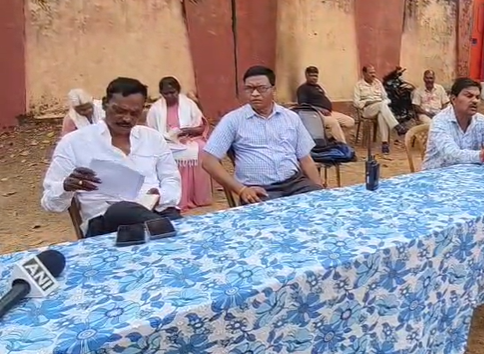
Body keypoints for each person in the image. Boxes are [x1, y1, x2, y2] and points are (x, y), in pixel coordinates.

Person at [41, 77, 182, 238]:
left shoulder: (153, 138)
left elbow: (171, 180)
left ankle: (163, 230)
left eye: (134, 113)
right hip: (107, 224)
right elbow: (50, 203)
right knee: (121, 210)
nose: (127, 118)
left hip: (157, 211)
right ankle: (170, 233)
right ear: (104, 104)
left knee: (166, 214)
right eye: (120, 111)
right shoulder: (73, 143)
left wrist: (159, 196)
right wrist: (66, 186)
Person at [201, 65, 323, 203]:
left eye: (261, 88)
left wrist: (319, 190)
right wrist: (241, 190)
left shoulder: (291, 117)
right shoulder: (233, 120)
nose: (254, 94)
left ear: (273, 90)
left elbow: (306, 160)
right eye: (249, 89)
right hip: (261, 190)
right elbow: (208, 162)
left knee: (323, 207)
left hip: (295, 184)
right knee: (270, 215)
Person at [146, 77, 212, 211]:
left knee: (201, 148)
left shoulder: (189, 104)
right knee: (164, 152)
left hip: (189, 138)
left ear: (178, 91)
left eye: (173, 92)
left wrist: (187, 131)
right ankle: (179, 198)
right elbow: (151, 132)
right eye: (166, 93)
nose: (170, 96)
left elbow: (201, 127)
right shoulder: (155, 109)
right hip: (165, 141)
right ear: (161, 93)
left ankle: (198, 196)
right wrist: (167, 137)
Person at [421, 78, 484, 170]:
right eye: (469, 96)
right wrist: (481, 155)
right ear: (453, 99)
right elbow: (451, 155)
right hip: (437, 174)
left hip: (468, 173)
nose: (475, 101)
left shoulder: (482, 121)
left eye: (477, 97)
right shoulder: (440, 121)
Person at [353, 65, 407, 154]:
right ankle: (397, 127)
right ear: (364, 73)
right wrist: (367, 102)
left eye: (374, 72)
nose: (373, 75)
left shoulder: (377, 83)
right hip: (367, 110)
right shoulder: (358, 85)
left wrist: (384, 103)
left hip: (380, 107)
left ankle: (384, 144)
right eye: (370, 73)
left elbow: (386, 98)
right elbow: (356, 102)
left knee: (382, 114)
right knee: (382, 106)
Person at [296, 66, 355, 143]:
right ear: (306, 75)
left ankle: (332, 139)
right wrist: (319, 110)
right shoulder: (303, 89)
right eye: (311, 76)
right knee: (333, 123)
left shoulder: (317, 87)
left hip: (328, 113)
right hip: (316, 115)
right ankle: (343, 144)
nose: (314, 78)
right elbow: (303, 106)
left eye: (316, 76)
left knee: (349, 121)